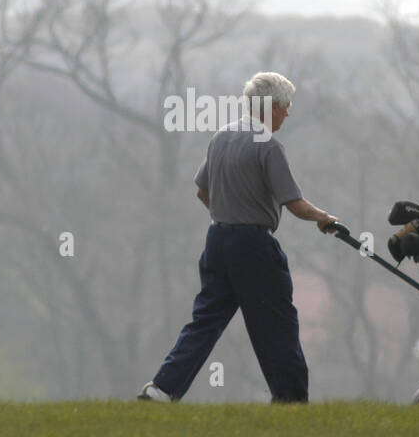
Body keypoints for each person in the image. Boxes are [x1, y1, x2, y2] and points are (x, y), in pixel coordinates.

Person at [139, 72, 335, 403]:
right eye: (286, 107)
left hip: (217, 241)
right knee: (276, 324)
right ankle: (291, 401)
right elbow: (295, 204)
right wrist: (325, 218)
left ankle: (162, 389)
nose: (288, 113)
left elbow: (202, 191)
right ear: (272, 106)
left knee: (205, 320)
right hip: (254, 248)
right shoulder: (269, 146)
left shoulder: (221, 137)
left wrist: (228, 214)